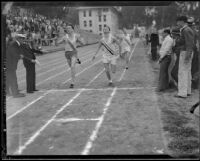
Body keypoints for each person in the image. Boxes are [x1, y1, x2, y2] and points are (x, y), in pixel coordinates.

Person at [56, 24, 84, 88]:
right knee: (71, 67)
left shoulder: (76, 36)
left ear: (72, 29)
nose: (68, 29)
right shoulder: (65, 37)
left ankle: (72, 82)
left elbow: (82, 43)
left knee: (72, 66)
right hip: (67, 53)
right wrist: (57, 40)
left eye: (69, 28)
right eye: (67, 28)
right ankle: (73, 75)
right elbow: (57, 43)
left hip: (73, 52)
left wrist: (81, 41)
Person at [175, 16, 195, 98]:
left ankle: (182, 93)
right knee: (187, 72)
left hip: (185, 52)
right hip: (186, 52)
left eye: (178, 22)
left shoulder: (186, 30)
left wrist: (188, 55)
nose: (177, 24)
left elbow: (189, 44)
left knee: (182, 72)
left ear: (182, 21)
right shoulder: (186, 30)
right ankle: (187, 91)